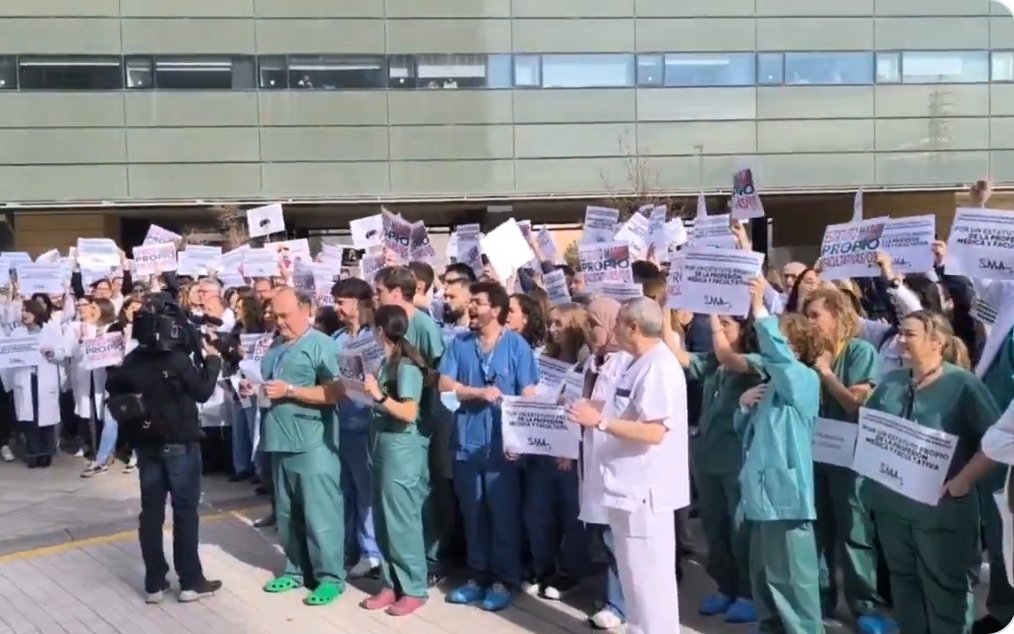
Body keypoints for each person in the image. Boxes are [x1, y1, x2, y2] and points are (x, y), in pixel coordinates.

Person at [863, 310, 999, 633]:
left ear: (936, 341)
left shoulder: (962, 386)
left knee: (946, 597)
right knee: (905, 591)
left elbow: (997, 443)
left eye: (909, 334)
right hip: (893, 512)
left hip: (942, 516)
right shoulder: (892, 382)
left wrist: (963, 480)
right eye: (900, 333)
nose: (900, 340)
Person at [567, 297, 688, 634]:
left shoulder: (660, 366)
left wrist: (601, 423)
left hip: (646, 494)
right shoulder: (636, 363)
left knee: (650, 582)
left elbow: (654, 430)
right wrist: (588, 410)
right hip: (623, 488)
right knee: (633, 577)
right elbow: (621, 408)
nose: (614, 328)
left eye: (618, 322)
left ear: (633, 327)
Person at [104, 293, 223, 604]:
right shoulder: (176, 360)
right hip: (179, 444)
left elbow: (112, 385)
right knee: (185, 513)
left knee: (152, 514)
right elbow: (201, 391)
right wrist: (212, 361)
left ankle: (154, 583)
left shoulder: (133, 359)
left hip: (146, 445)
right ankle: (190, 582)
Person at [438, 280, 539, 612]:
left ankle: (504, 579)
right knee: (473, 513)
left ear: (495, 309)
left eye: (477, 302)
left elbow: (528, 394)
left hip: (503, 448)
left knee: (503, 514)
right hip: (468, 443)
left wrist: (523, 440)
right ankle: (477, 575)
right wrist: (477, 393)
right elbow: (445, 384)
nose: (471, 307)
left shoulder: (517, 347)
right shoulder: (460, 344)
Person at [735, 278, 825, 634]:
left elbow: (778, 359)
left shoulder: (802, 377)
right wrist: (743, 408)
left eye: (778, 336)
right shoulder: (772, 383)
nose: (766, 342)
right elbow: (751, 436)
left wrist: (760, 308)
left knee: (794, 583)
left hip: (787, 499)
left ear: (795, 347)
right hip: (760, 496)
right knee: (765, 578)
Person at [258, 288, 345, 607]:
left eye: (285, 315)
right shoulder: (276, 346)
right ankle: (296, 569)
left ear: (306, 310)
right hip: (279, 440)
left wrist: (291, 390)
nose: (279, 322)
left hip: (312, 442)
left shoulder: (321, 345)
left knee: (320, 513)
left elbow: (337, 393)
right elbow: (272, 387)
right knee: (287, 511)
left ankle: (330, 577)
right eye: (275, 315)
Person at [359, 305, 430, 617]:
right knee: (384, 521)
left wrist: (378, 396)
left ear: (380, 331)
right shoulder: (385, 362)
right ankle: (391, 582)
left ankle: (414, 586)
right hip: (382, 446)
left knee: (402, 521)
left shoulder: (406, 367)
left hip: (401, 450)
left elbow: (409, 412)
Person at [577, 297, 631, 630]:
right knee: (604, 531)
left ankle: (620, 604)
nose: (589, 331)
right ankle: (614, 597)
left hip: (615, 455)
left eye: (594, 325)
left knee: (617, 534)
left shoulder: (626, 362)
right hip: (593, 454)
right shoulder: (594, 362)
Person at [332, 277, 382, 578]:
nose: (337, 307)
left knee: (367, 493)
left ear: (359, 303)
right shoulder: (336, 337)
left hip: (366, 424)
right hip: (341, 424)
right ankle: (348, 547)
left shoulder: (374, 337)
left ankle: (371, 551)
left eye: (342, 301)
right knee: (345, 491)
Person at [1, 297, 65, 469]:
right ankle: (33, 453)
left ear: (36, 313)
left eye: (27, 311)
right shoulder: (17, 333)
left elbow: (61, 353)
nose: (23, 314)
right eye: (22, 311)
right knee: (29, 420)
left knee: (46, 419)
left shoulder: (50, 331)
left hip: (44, 378)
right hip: (25, 379)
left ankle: (46, 453)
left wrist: (51, 352)